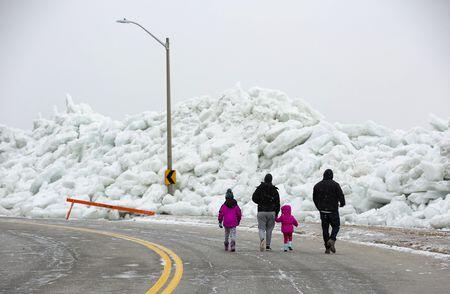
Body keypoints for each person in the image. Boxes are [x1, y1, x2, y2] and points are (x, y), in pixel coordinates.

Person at [313, 169, 345, 254]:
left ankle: (327, 248)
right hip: (333, 210)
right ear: (332, 176)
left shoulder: (317, 186)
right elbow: (341, 195)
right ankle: (332, 239)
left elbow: (315, 198)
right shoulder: (335, 185)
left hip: (323, 211)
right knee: (336, 226)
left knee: (325, 229)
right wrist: (342, 203)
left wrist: (319, 207)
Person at [252, 173, 280, 251]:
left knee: (261, 228)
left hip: (261, 211)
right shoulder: (274, 190)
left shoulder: (260, 188)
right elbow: (278, 203)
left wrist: (260, 202)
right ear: (271, 180)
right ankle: (267, 246)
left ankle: (262, 239)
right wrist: (276, 213)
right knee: (269, 229)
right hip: (271, 212)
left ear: (264, 179)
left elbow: (254, 198)